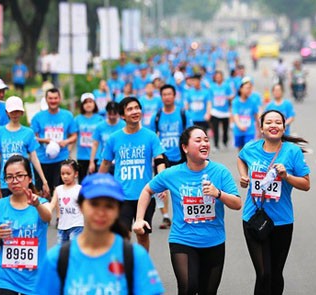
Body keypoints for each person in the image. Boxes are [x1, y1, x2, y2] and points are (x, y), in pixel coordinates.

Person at [133, 126, 241, 295]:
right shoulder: (172, 173)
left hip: (214, 241)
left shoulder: (220, 172)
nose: (204, 143)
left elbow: (236, 203)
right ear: (185, 147)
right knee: (188, 288)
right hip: (182, 240)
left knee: (208, 291)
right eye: (198, 141)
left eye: (206, 140)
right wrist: (140, 218)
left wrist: (218, 193)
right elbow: (147, 190)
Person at [35, 173, 165, 295]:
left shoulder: (136, 257)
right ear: (80, 206)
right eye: (94, 204)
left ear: (118, 210)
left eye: (109, 206)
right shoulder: (56, 259)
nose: (101, 212)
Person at [237, 110, 310, 295]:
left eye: (278, 122)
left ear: (283, 128)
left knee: (276, 274)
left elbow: (306, 184)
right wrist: (244, 175)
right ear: (261, 128)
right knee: (263, 274)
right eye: (268, 122)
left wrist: (286, 176)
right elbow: (240, 158)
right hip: (253, 218)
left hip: (282, 222)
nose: (273, 125)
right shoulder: (251, 148)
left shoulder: (292, 152)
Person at [99, 97, 166, 251]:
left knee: (142, 235)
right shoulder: (114, 138)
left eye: (137, 108)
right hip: (121, 196)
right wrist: (95, 186)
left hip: (146, 194)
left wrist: (161, 183)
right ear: (122, 115)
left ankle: (142, 267)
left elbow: (159, 160)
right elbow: (105, 163)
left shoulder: (150, 136)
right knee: (123, 236)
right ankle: (125, 269)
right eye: (130, 109)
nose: (135, 111)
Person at [0, 155, 53, 294]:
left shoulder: (41, 203)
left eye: (19, 176)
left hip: (35, 282)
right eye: (9, 177)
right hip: (4, 280)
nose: (14, 181)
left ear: (29, 178)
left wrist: (37, 205)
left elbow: (48, 217)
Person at [150, 84, 193, 229]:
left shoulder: (182, 113)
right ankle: (166, 216)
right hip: (163, 154)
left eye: (170, 94)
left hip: (181, 154)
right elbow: (151, 137)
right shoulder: (157, 116)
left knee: (183, 186)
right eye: (164, 94)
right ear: (161, 97)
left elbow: (190, 133)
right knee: (161, 185)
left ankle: (185, 213)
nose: (167, 97)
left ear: (174, 96)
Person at [0, 96, 50, 199]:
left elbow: (34, 158)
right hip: (7, 180)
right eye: (12, 111)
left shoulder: (28, 132)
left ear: (22, 112)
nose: (15, 114)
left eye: (17, 111)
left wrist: (44, 181)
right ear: (7, 112)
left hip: (24, 179)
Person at [31, 88, 77, 194]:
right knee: (43, 192)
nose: (53, 101)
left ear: (60, 99)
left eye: (55, 98)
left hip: (61, 159)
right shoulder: (38, 117)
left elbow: (74, 136)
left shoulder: (68, 116)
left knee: (60, 191)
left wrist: (66, 142)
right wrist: (44, 140)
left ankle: (59, 210)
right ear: (46, 100)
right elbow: (33, 137)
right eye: (50, 98)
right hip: (42, 159)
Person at [88, 101, 125, 175]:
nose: (112, 117)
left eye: (114, 114)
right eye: (110, 114)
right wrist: (91, 162)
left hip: (119, 162)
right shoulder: (100, 126)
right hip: (103, 161)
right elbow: (95, 144)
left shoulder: (123, 125)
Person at [51, 159, 83, 244]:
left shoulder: (80, 189)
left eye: (68, 174)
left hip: (77, 226)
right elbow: (52, 205)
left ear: (75, 174)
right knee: (62, 253)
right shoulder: (58, 189)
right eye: (62, 174)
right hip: (62, 227)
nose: (65, 176)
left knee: (73, 251)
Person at [74, 93, 104, 182]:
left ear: (94, 104)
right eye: (85, 102)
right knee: (82, 182)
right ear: (82, 105)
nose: (88, 104)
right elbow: (74, 136)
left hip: (97, 156)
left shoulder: (100, 119)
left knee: (95, 182)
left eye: (90, 102)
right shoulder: (77, 119)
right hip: (82, 156)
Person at [232, 77, 260, 151]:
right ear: (241, 89)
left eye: (250, 88)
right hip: (238, 130)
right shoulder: (235, 102)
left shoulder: (253, 101)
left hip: (250, 130)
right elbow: (235, 115)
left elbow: (256, 116)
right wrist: (240, 125)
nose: (249, 90)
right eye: (247, 88)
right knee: (240, 150)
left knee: (248, 149)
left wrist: (260, 128)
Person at [209, 70, 234, 151]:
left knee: (225, 129)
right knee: (215, 129)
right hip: (215, 111)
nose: (218, 78)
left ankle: (225, 142)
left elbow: (231, 95)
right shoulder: (212, 86)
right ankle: (216, 145)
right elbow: (209, 98)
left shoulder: (226, 86)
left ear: (222, 78)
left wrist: (228, 97)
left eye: (219, 77)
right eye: (217, 77)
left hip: (225, 111)